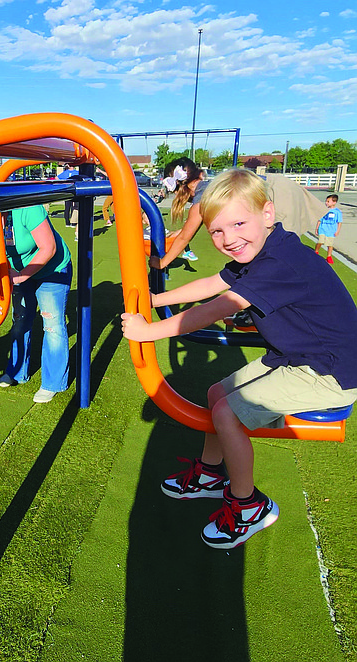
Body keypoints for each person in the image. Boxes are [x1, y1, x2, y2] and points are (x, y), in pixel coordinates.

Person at [121, 169, 357, 549]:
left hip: (327, 371)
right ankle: (211, 475)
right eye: (217, 231)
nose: (229, 239)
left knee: (227, 414)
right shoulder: (262, 250)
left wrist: (149, 331)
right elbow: (215, 283)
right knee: (217, 395)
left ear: (268, 215)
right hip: (296, 357)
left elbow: (217, 307)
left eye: (238, 223)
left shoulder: (281, 262)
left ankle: (250, 507)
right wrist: (157, 301)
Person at [0, 204, 72, 404]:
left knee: (52, 325)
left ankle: (53, 383)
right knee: (20, 320)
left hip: (52, 269)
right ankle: (16, 371)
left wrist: (21, 277)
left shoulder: (27, 209)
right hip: (16, 272)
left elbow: (49, 248)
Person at [149, 158, 327, 271]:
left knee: (280, 253)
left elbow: (185, 238)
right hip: (278, 188)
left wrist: (162, 263)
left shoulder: (202, 198)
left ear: (180, 186)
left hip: (278, 195)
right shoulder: (206, 188)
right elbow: (187, 232)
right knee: (267, 253)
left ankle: (275, 306)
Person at [314, 194, 342, 265]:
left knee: (330, 244)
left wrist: (337, 231)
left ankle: (329, 256)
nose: (326, 203)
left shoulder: (337, 212)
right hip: (322, 228)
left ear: (334, 202)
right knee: (320, 241)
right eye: (326, 201)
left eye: (328, 201)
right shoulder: (324, 210)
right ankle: (316, 251)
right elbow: (319, 220)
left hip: (331, 230)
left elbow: (339, 222)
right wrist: (317, 228)